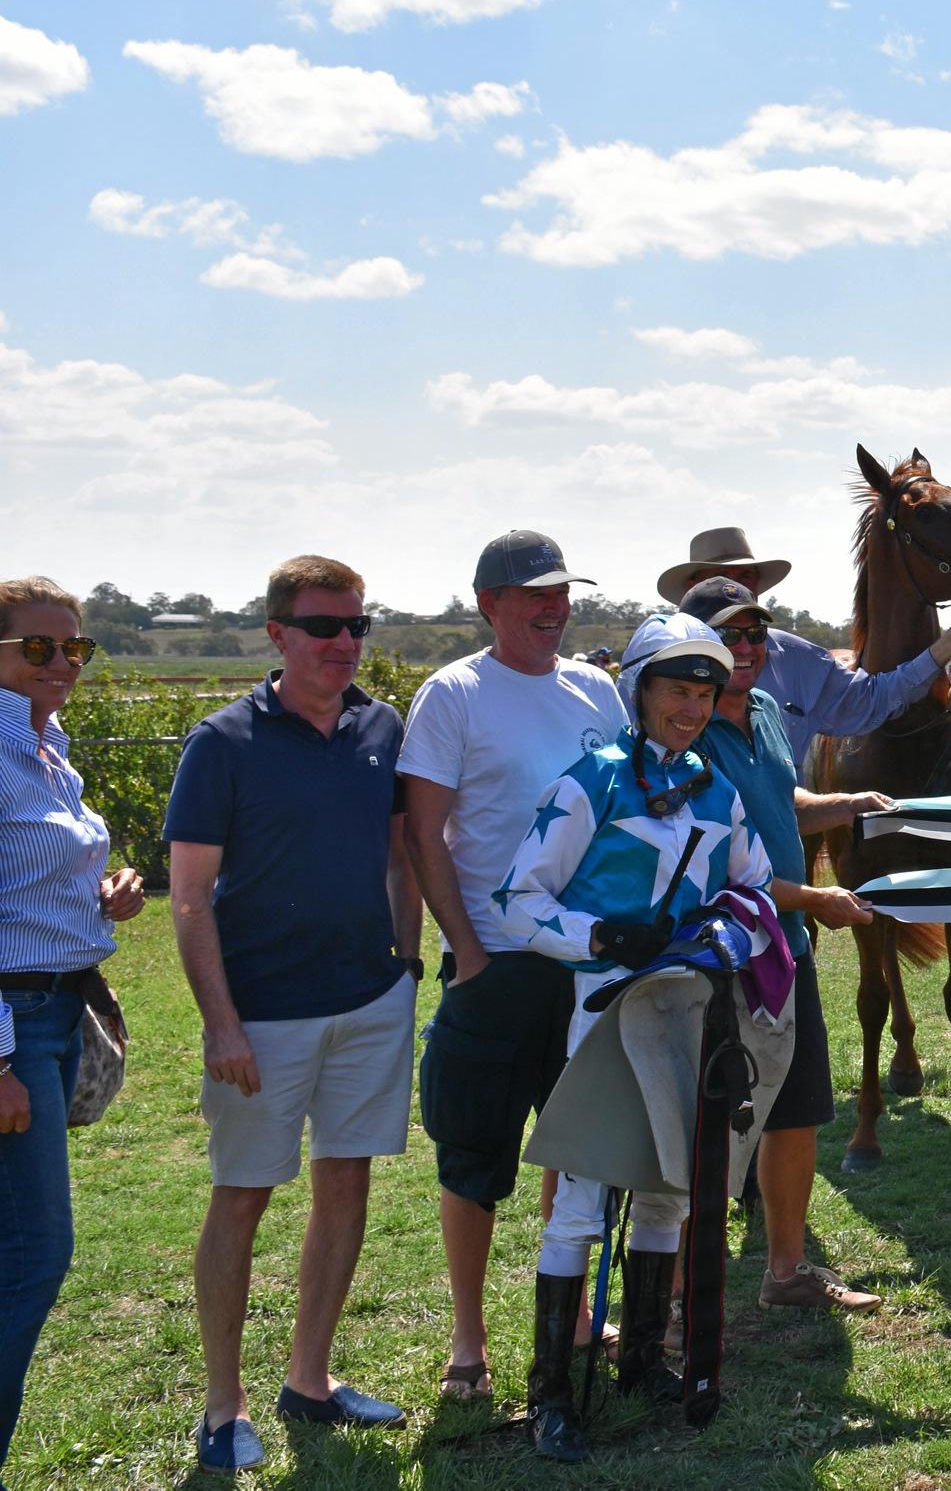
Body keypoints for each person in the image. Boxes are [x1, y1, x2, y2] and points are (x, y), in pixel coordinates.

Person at [493, 615, 776, 1462]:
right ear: (639, 691)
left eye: (704, 693)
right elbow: (517, 899)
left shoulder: (719, 792)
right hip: (599, 1013)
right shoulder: (593, 783)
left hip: (683, 1011)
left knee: (668, 1190)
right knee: (581, 1201)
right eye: (675, 691)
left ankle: (645, 1359)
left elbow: (754, 888)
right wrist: (602, 938)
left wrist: (726, 936)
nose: (691, 709)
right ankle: (550, 1392)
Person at [163, 558, 421, 1469]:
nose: (346, 642)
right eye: (325, 626)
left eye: (358, 625)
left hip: (367, 1003)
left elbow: (400, 857)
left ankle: (308, 1380)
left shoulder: (381, 726)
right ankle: (221, 1404)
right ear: (277, 634)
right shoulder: (222, 742)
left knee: (345, 1183)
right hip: (261, 1017)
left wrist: (407, 965)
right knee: (242, 1197)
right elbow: (189, 899)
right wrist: (222, 1022)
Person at [399, 530, 619, 1406]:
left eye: (562, 592)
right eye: (535, 594)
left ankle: (567, 1317)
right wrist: (473, 952)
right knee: (476, 1158)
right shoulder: (454, 693)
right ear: (489, 602)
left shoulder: (597, 690)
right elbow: (424, 834)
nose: (553, 608)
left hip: (585, 964)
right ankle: (468, 1337)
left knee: (575, 1148)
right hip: (498, 966)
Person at [679, 577, 891, 1313]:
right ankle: (677, 1303)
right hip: (723, 953)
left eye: (755, 633)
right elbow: (713, 875)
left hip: (785, 947)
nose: (745, 648)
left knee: (796, 1110)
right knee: (712, 1126)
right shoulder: (686, 731)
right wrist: (817, 900)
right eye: (728, 635)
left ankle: (787, 1270)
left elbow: (782, 801)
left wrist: (849, 803)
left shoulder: (767, 709)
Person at [0, 579, 146, 1484]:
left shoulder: (49, 750)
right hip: (15, 1020)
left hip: (54, 1003)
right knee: (35, 1250)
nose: (64, 664)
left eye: (76, 649)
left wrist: (101, 897)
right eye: (39, 649)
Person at [656, 526, 951, 763]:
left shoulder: (797, 660)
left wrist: (943, 648)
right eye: (721, 578)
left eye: (745, 577)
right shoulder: (652, 666)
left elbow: (870, 699)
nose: (735, 589)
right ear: (693, 587)